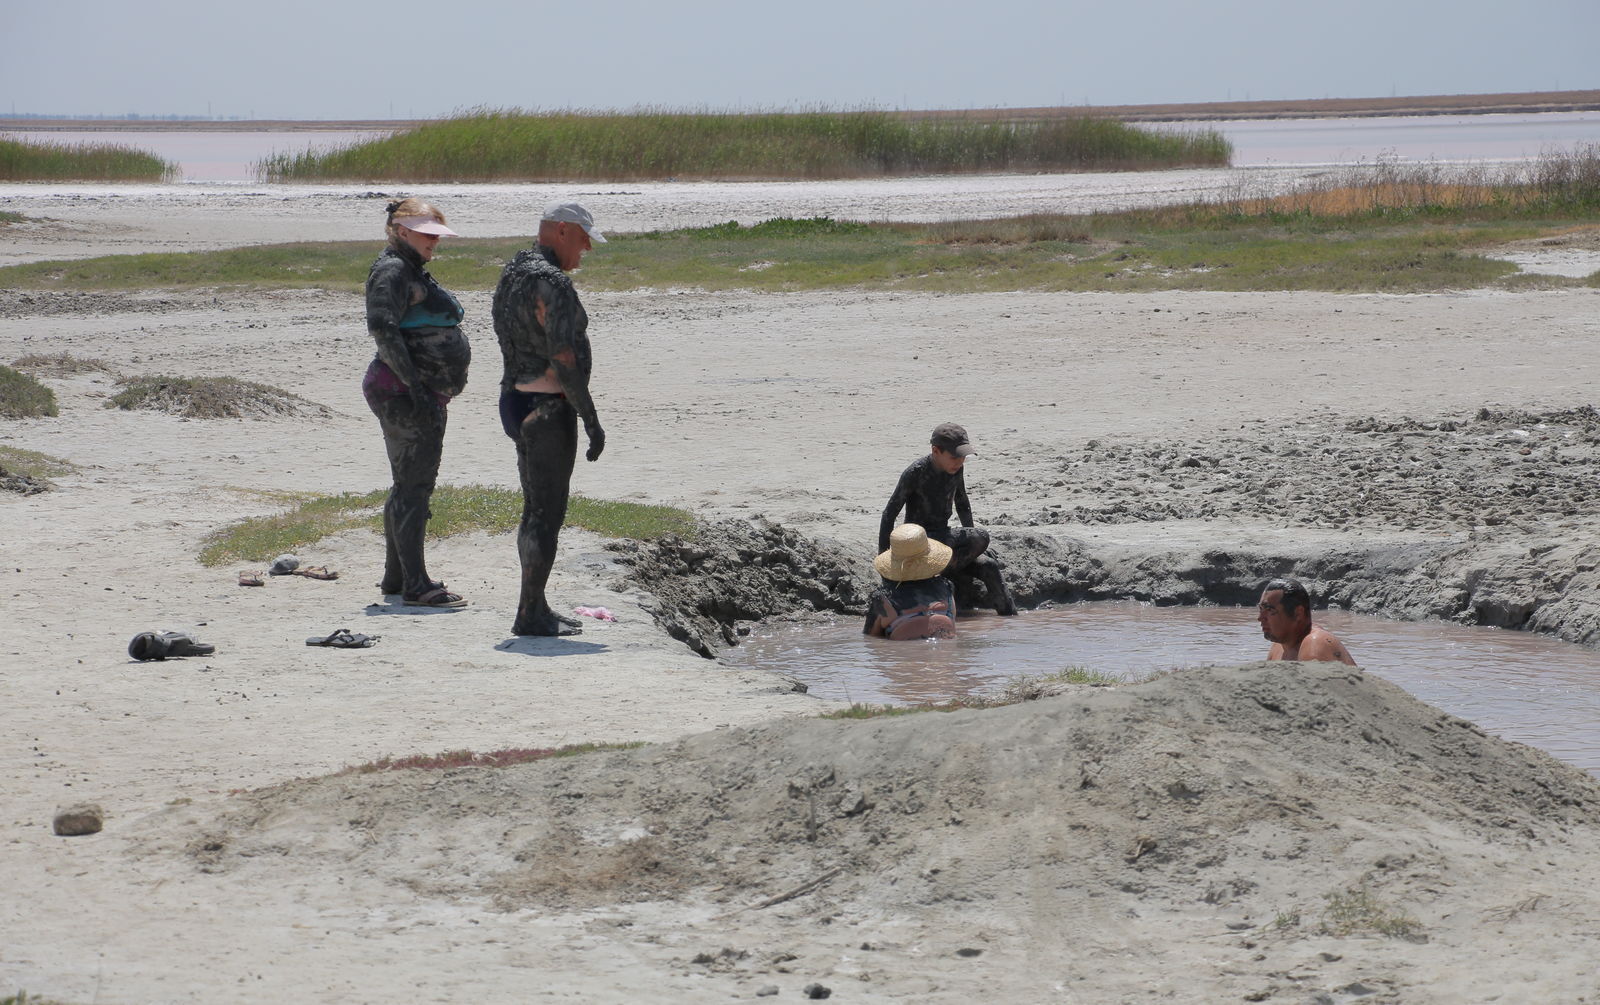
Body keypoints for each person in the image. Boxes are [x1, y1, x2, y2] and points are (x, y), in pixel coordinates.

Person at [492, 202, 607, 636]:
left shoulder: (514, 271)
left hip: (515, 400)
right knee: (546, 513)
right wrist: (590, 417)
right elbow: (563, 357)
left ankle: (534, 605)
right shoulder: (551, 282)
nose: (587, 249)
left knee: (534, 509)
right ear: (562, 231)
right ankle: (529, 613)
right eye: (583, 238)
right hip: (547, 409)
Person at [363, 197, 471, 608]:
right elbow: (383, 330)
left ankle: (397, 577)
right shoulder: (392, 270)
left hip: (413, 392)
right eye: (427, 234)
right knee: (415, 486)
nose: (434, 241)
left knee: (407, 483)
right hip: (402, 394)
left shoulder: (409, 267)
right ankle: (416, 585)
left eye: (437, 235)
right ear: (402, 231)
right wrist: (417, 389)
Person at [879, 422, 1017, 615]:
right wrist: (885, 560)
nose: (959, 462)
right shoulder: (916, 472)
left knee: (989, 566)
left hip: (944, 540)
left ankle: (1009, 615)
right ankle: (938, 573)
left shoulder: (956, 469)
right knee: (981, 536)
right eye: (954, 457)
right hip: (920, 542)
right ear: (936, 451)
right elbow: (889, 514)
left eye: (963, 457)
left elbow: (962, 503)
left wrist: (973, 546)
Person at [864, 524, 958, 640]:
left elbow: (870, 639)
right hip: (943, 649)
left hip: (901, 648)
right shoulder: (947, 588)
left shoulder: (883, 599)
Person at [1257, 577, 1357, 664]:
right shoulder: (1278, 646)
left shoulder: (1315, 643)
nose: (1260, 618)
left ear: (1298, 613)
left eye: (1269, 610)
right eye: (1261, 609)